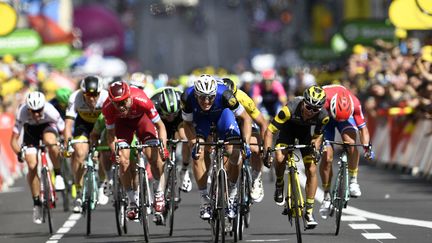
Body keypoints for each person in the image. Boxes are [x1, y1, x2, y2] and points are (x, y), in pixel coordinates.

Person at [181, 74, 252, 220]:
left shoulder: (225, 94)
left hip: (223, 116)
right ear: (196, 94)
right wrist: (193, 142)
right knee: (198, 153)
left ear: (215, 94)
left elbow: (246, 118)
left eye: (210, 98)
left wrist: (246, 142)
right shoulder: (187, 97)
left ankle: (231, 195)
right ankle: (204, 200)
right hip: (201, 120)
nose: (206, 102)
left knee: (235, 152)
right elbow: (187, 124)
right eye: (202, 98)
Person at [262, 85, 329, 229]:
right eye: (308, 107)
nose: (311, 112)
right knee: (280, 159)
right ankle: (279, 184)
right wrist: (267, 152)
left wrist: (316, 149)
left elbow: (318, 136)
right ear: (303, 102)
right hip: (287, 131)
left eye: (315, 109)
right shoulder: (289, 109)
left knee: (311, 169)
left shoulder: (323, 116)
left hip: (305, 135)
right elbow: (269, 131)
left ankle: (309, 212)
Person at [102, 81, 169, 223]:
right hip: (123, 126)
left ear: (129, 97)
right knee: (123, 161)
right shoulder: (107, 107)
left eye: (123, 102)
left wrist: (163, 146)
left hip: (142, 121)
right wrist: (115, 153)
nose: (120, 107)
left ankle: (159, 193)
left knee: (153, 156)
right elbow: (110, 135)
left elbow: (160, 125)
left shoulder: (142, 99)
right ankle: (132, 201)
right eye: (116, 104)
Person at [319, 85, 374, 219]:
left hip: (345, 115)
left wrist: (367, 148)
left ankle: (353, 180)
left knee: (351, 143)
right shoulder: (322, 100)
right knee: (327, 157)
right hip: (327, 117)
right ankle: (326, 195)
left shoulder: (355, 103)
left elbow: (363, 129)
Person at [10, 91, 65, 224]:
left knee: (50, 142)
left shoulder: (51, 111)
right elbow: (13, 140)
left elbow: (64, 132)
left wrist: (62, 144)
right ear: (27, 108)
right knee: (32, 164)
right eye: (32, 111)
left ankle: (58, 174)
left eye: (39, 110)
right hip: (31, 132)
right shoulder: (22, 112)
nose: (36, 114)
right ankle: (36, 204)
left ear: (43, 107)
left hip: (48, 127)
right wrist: (19, 153)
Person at [63, 75, 109, 213]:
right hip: (83, 125)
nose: (92, 98)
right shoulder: (74, 97)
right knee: (79, 153)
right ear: (83, 93)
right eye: (88, 95)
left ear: (100, 93)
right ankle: (78, 192)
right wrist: (68, 143)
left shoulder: (106, 97)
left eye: (95, 94)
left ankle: (101, 185)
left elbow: (112, 123)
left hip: (102, 125)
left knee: (104, 152)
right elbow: (68, 124)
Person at [222, 78, 268, 203]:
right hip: (228, 126)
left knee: (255, 148)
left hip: (245, 123)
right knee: (229, 153)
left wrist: (265, 146)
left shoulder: (244, 98)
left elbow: (262, 123)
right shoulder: (217, 98)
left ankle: (256, 178)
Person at [150, 87, 193, 193]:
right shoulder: (153, 104)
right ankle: (159, 177)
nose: (171, 118)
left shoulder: (184, 102)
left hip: (180, 121)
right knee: (157, 143)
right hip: (160, 122)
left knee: (186, 139)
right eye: (168, 115)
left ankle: (184, 169)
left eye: (173, 114)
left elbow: (188, 124)